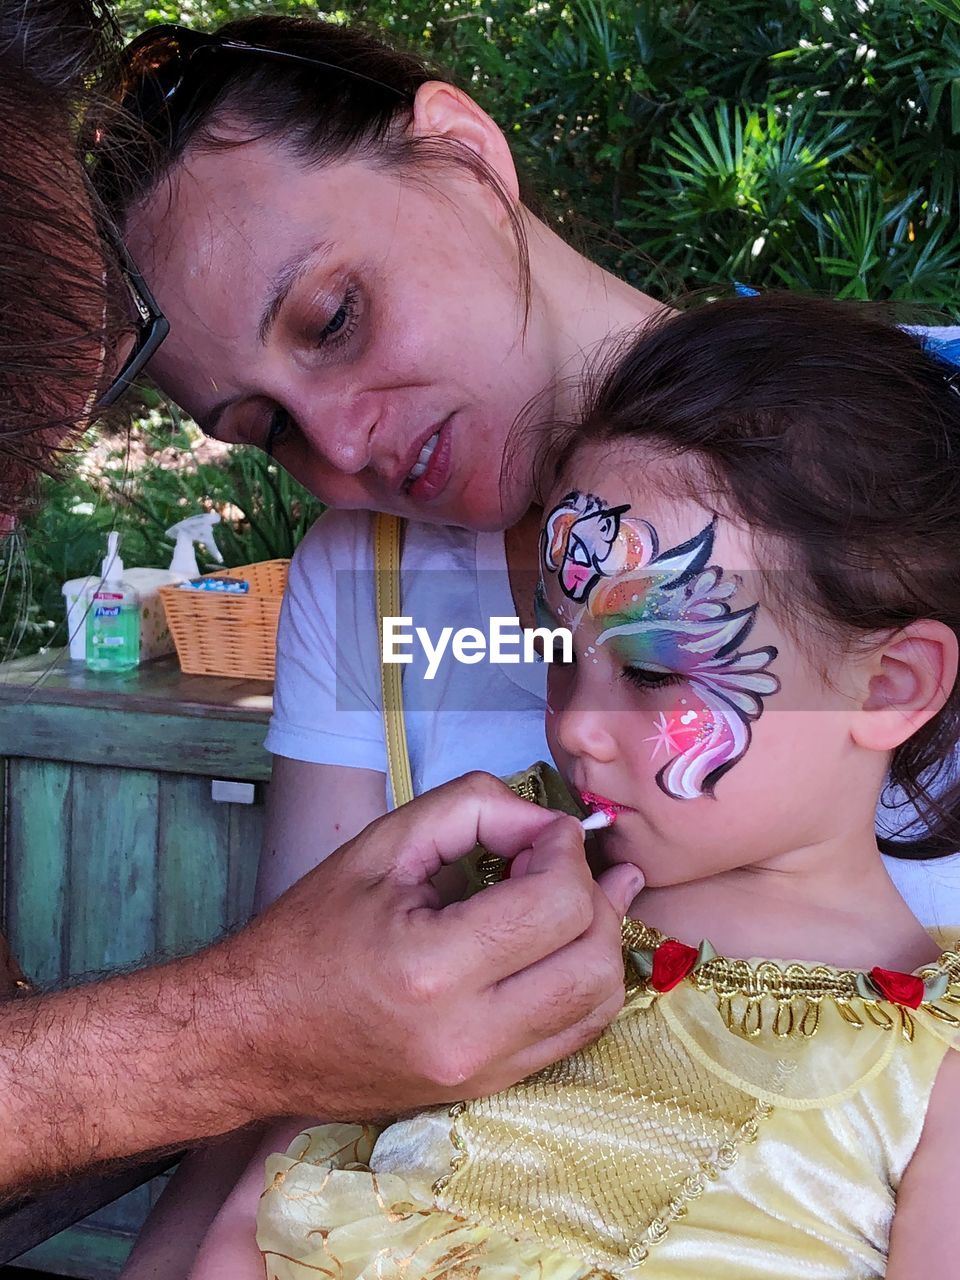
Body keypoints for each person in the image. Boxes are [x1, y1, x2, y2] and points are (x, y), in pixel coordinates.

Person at [0, 0, 636, 1205]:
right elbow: (295, 1060)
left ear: (465, 151)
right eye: (266, 430)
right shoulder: (368, 584)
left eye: (333, 318)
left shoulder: (913, 459)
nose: (345, 439)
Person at [185, 293, 960, 1278]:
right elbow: (252, 1229)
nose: (576, 722)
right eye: (559, 645)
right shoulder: (478, 916)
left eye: (648, 668)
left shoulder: (934, 1078)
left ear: (891, 685)